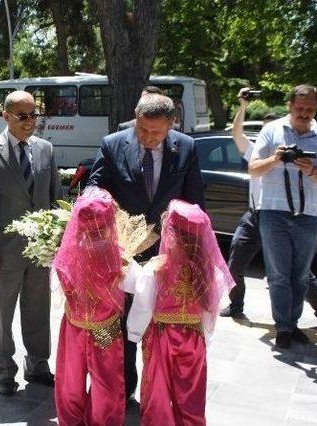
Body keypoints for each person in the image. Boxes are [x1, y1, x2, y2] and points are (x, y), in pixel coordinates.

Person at [87, 93, 205, 404]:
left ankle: (159, 392)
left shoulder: (187, 147)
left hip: (169, 255)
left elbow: (195, 201)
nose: (148, 138)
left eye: (156, 132)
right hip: (125, 255)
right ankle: (123, 390)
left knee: (160, 327)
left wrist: (193, 250)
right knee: (125, 325)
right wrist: (94, 203)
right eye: (142, 130)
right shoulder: (113, 144)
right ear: (136, 119)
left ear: (171, 125)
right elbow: (95, 185)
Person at [220, 87, 317, 332]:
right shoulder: (259, 149)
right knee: (235, 264)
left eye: (309, 110)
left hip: (285, 213)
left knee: (299, 272)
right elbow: (237, 135)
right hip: (256, 215)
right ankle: (236, 304)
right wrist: (242, 106)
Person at [0, 90, 62, 396]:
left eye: (34, 115)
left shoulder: (46, 150)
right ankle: (5, 371)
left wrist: (59, 241)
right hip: (4, 252)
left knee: (38, 311)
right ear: (6, 117)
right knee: (2, 314)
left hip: (40, 251)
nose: (30, 121)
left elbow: (56, 200)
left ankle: (37, 365)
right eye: (23, 116)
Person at [128, 200, 235, 426]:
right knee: (191, 395)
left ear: (171, 233)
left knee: (157, 394)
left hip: (160, 337)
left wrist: (134, 333)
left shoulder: (155, 268)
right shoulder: (209, 272)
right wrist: (204, 336)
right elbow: (211, 311)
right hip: (193, 339)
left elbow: (143, 306)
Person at [52, 188, 148, 425]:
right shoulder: (122, 259)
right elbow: (139, 288)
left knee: (70, 380)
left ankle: (71, 419)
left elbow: (55, 286)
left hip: (73, 327)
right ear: (110, 222)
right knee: (106, 382)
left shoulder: (65, 256)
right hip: (105, 331)